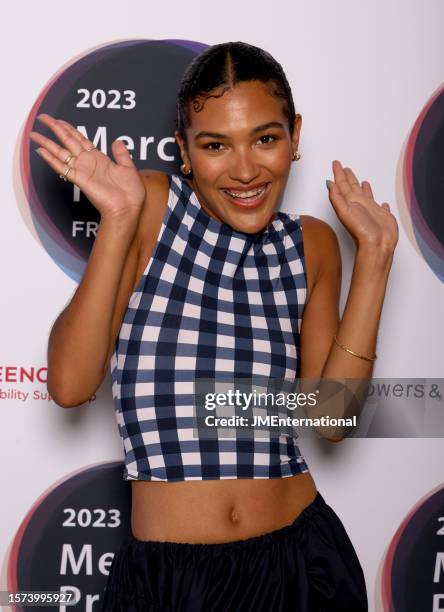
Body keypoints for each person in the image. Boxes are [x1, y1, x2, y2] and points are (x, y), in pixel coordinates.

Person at [30, 41, 398, 611]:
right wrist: (120, 220)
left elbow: (331, 418)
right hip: (173, 580)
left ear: (295, 136)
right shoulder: (148, 205)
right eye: (215, 145)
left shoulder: (311, 244)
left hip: (299, 563)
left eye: (266, 138)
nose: (245, 169)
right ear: (183, 150)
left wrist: (374, 257)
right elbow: (70, 385)